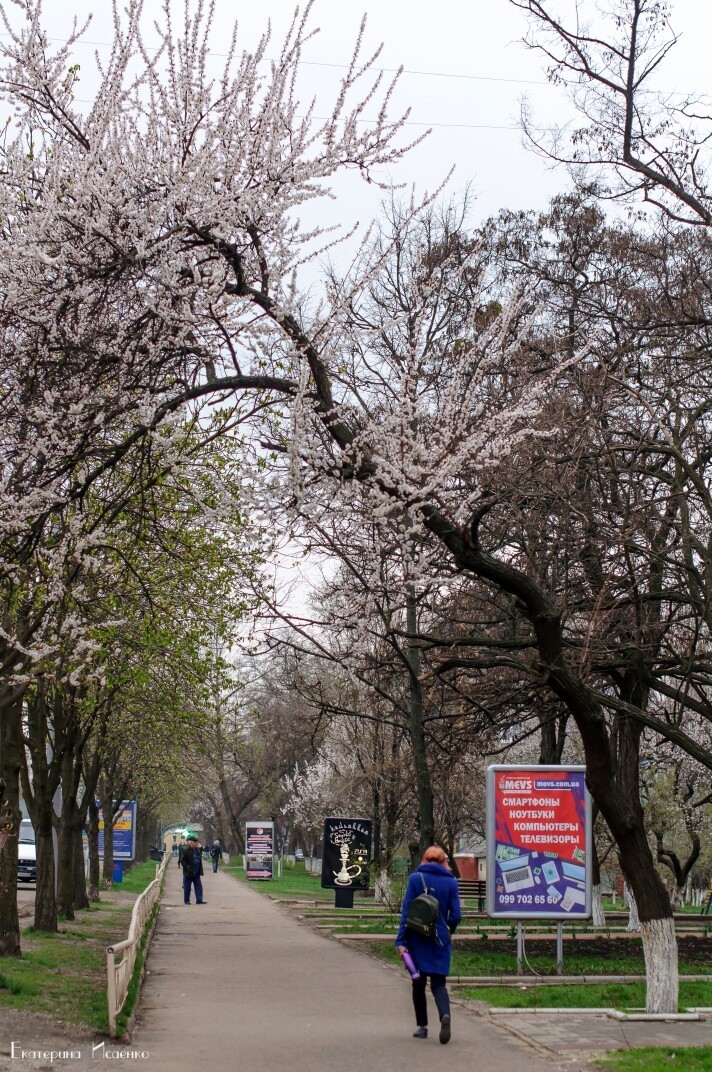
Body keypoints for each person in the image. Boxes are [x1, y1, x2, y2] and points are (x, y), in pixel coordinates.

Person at [396, 845, 462, 1044]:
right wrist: (448, 929)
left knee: (418, 983)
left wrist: (400, 940)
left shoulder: (415, 879)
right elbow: (457, 915)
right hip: (440, 939)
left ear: (424, 860)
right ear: (444, 861)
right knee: (439, 984)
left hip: (417, 938)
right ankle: (444, 1015)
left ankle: (423, 1027)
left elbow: (407, 911)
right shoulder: (451, 882)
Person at [180, 835, 206, 904]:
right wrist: (187, 866)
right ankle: (186, 900)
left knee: (198, 887)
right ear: (191, 843)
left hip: (197, 872)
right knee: (187, 887)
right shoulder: (185, 850)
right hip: (189, 872)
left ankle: (199, 900)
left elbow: (198, 858)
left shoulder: (197, 850)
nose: (196, 844)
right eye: (195, 842)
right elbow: (182, 860)